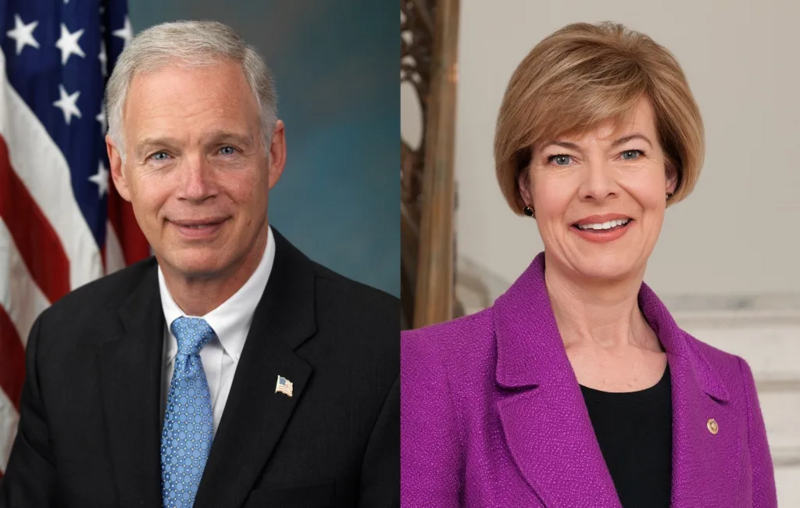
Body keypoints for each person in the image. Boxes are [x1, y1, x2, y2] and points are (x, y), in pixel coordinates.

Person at [0, 21, 398, 508]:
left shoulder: (385, 354)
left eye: (225, 150)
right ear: (120, 169)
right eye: (161, 155)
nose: (195, 188)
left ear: (273, 154)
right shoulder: (62, 344)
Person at [401, 22, 776, 508]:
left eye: (630, 152)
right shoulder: (433, 370)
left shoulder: (730, 386)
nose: (598, 187)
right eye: (562, 158)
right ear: (526, 186)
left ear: (669, 174)